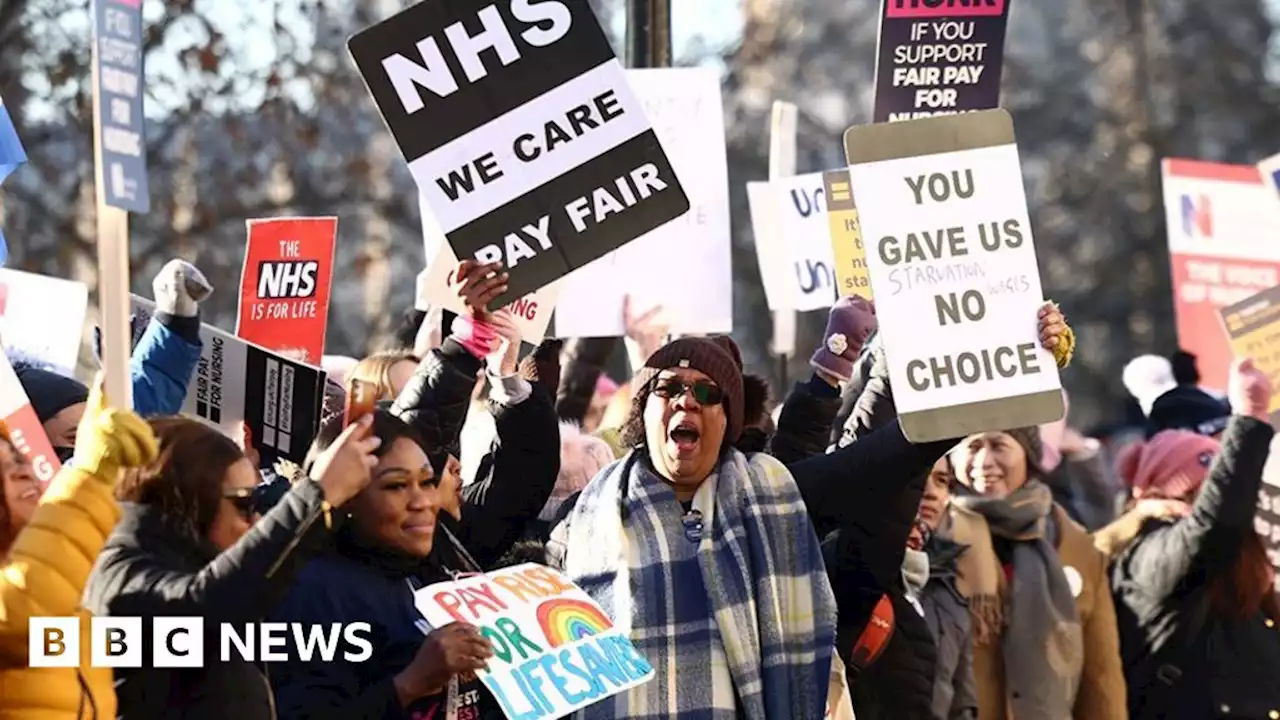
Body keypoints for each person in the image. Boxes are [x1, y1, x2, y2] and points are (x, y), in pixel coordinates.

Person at [547, 337, 837, 719]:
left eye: (707, 392)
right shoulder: (579, 522)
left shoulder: (770, 502)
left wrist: (837, 362)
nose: (687, 400)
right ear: (642, 414)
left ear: (727, 420)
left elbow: (882, 460)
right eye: (667, 388)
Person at [83, 414, 379, 719]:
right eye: (244, 504)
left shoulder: (184, 561)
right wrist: (318, 495)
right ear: (189, 499)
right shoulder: (120, 571)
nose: (256, 521)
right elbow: (206, 608)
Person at [268, 410, 503, 719]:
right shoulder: (314, 593)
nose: (423, 502)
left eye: (427, 481)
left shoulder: (424, 568)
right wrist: (411, 684)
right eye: (396, 486)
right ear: (346, 496)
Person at [1110, 357, 1280, 720]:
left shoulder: (1245, 561)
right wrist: (1249, 417)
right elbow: (1213, 527)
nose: (1215, 498)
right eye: (1199, 491)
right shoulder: (1148, 554)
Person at [947, 422, 1128, 719]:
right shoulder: (933, 538)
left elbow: (1101, 675)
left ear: (1028, 456)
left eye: (998, 445)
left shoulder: (1075, 545)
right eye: (972, 447)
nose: (984, 462)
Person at [0, 377, 158, 719]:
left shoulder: (72, 594)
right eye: (4, 471)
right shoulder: (31, 595)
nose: (25, 473)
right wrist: (90, 476)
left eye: (19, 461)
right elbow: (22, 613)